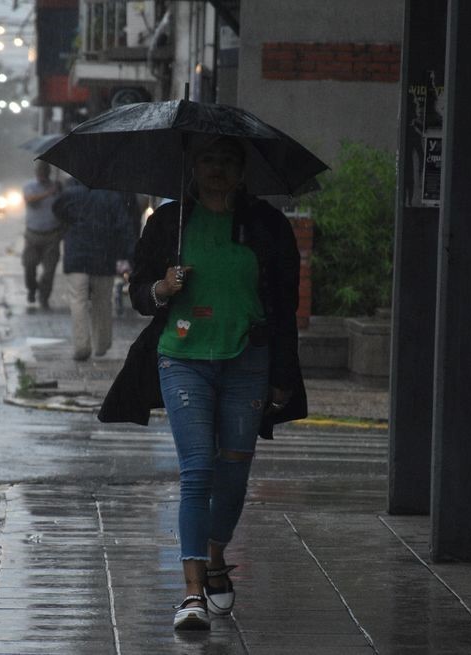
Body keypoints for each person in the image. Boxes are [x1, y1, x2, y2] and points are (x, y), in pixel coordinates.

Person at [97, 136, 308, 631]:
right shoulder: (168, 223)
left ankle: (215, 558)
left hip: (247, 360)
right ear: (192, 167)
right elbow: (139, 294)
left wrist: (283, 374)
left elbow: (285, 303)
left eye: (226, 162)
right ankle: (192, 593)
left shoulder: (266, 225)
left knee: (233, 473)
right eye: (207, 160)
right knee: (196, 472)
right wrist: (162, 289)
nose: (216, 170)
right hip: (182, 357)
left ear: (241, 171)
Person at [52, 183, 140, 361]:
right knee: (102, 301)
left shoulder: (70, 195)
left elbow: (56, 209)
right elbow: (124, 226)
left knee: (78, 301)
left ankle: (82, 346)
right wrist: (129, 255)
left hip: (77, 256)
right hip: (103, 256)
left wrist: (71, 222)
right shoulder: (113, 197)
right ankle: (101, 344)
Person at [20, 161, 64, 309]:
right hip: (33, 234)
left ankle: (44, 296)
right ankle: (32, 288)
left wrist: (59, 191)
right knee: (29, 265)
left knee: (49, 270)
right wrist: (49, 193)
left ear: (48, 173)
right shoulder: (30, 186)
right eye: (39, 171)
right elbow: (30, 200)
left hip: (52, 235)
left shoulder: (57, 188)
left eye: (44, 171)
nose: (41, 174)